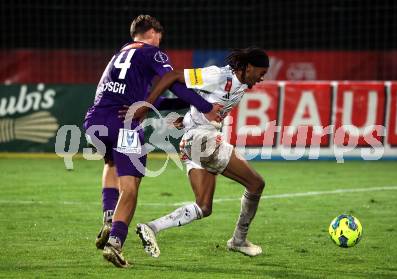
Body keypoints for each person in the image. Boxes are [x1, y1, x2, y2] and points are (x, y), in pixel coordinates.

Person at [83, 14, 221, 268]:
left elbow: (152, 100)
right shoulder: (152, 53)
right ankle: (115, 242)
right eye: (160, 37)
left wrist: (180, 105)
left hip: (94, 121)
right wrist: (205, 105)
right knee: (131, 188)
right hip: (123, 122)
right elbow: (174, 83)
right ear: (154, 33)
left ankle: (109, 216)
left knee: (110, 162)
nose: (160, 42)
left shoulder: (120, 53)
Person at [126, 47, 269, 257]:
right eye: (261, 73)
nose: (262, 78)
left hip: (192, 141)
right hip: (203, 142)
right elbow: (172, 76)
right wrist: (146, 106)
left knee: (204, 206)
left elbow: (205, 105)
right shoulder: (218, 75)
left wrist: (185, 121)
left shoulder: (239, 86)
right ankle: (238, 240)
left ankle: (151, 228)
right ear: (248, 67)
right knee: (256, 184)